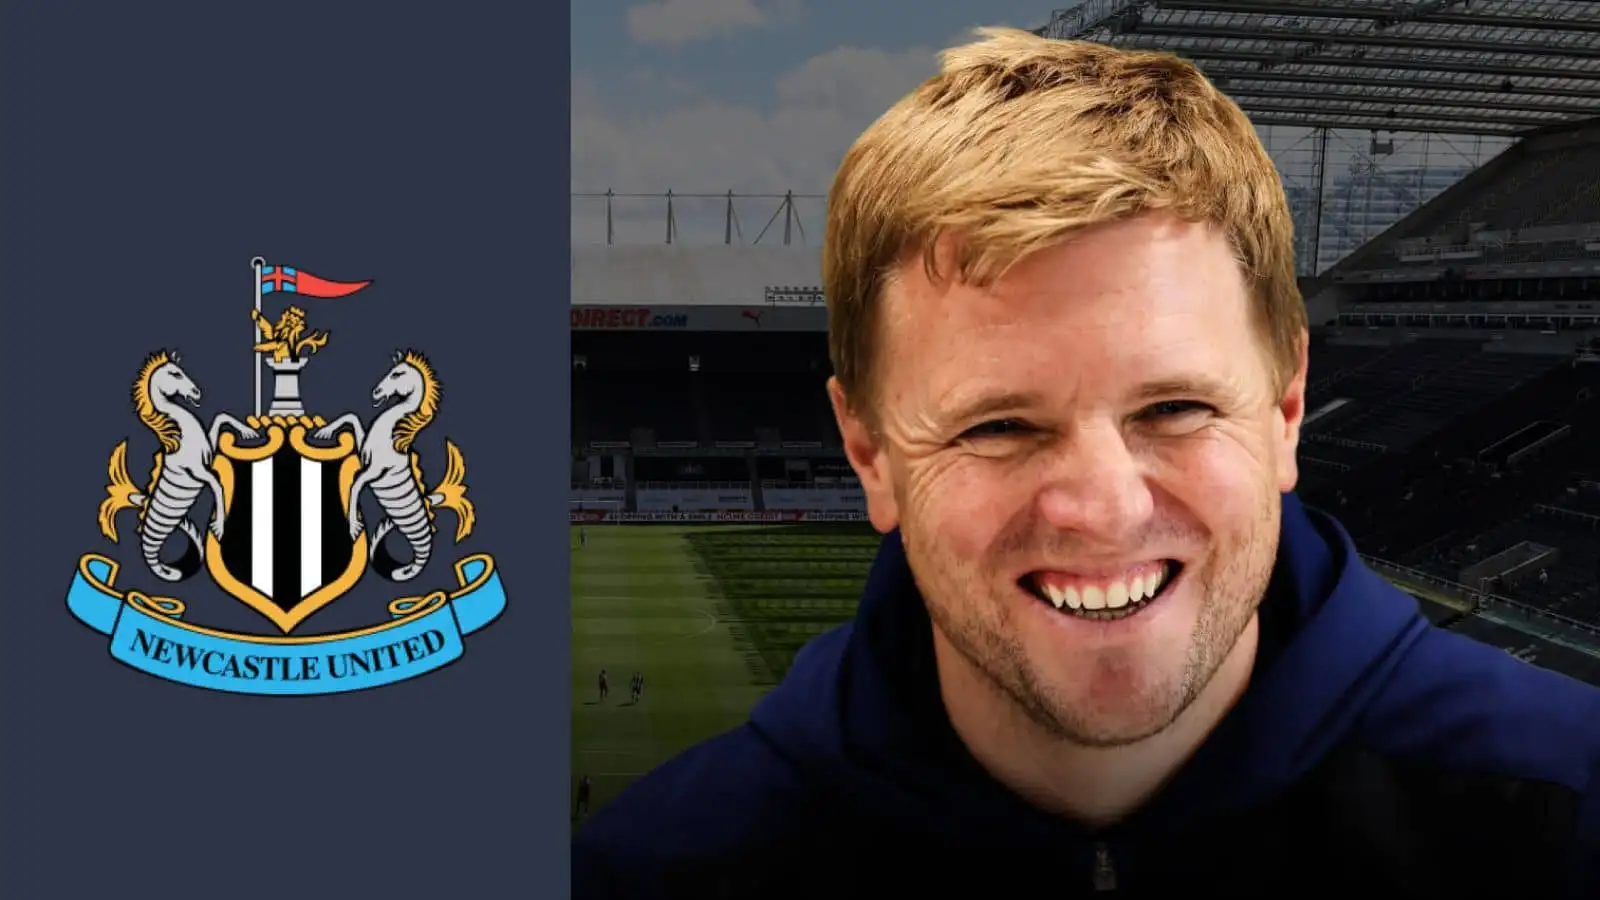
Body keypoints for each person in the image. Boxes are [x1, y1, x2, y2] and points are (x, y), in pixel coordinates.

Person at [572, 28, 1600, 898]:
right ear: (868, 454)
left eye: (1175, 407)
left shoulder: (1571, 803)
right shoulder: (653, 870)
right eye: (997, 427)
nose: (1102, 510)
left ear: (1286, 410)